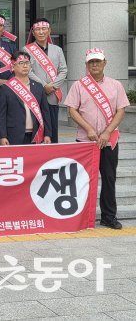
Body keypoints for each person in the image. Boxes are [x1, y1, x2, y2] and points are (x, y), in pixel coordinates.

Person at [64, 47, 129, 230]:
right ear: (86, 64)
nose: (94, 65)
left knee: (108, 178)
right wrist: (89, 129)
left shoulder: (115, 85)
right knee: (82, 179)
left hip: (109, 140)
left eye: (98, 61)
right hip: (85, 140)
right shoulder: (79, 85)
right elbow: (71, 110)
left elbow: (121, 110)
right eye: (91, 62)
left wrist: (107, 132)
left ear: (104, 63)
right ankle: (81, 217)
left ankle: (108, 216)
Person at [23, 18, 67, 143]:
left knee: (52, 128)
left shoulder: (57, 49)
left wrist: (52, 86)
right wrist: (44, 86)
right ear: (33, 32)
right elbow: (28, 71)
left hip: (52, 95)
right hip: (35, 94)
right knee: (36, 128)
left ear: (49, 31)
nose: (41, 32)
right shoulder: (26, 50)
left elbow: (63, 70)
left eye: (44, 29)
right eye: (38, 29)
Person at [0, 51, 52, 145]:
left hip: (36, 134)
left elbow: (45, 112)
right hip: (13, 135)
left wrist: (47, 134)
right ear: (13, 66)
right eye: (21, 63)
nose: (25, 66)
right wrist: (2, 136)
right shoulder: (5, 88)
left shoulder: (38, 87)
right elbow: (1, 115)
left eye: (27, 63)